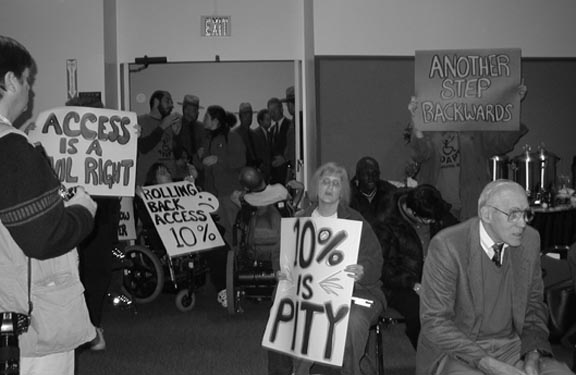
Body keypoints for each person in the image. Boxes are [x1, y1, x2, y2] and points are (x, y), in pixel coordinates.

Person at [0, 35, 97, 374]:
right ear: (11, 80)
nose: (31, 90)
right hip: (29, 321)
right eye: (28, 80)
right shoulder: (12, 148)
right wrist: (83, 208)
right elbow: (45, 237)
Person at [417, 179, 575, 375]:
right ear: (486, 214)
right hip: (458, 350)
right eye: (513, 215)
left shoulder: (530, 240)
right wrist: (487, 363)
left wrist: (532, 354)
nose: (523, 223)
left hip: (514, 346)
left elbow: (534, 306)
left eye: (526, 214)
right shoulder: (448, 246)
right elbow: (435, 320)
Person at [273, 162, 386, 375]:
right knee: (295, 311)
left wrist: (363, 270)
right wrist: (281, 270)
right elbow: (280, 254)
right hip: (309, 293)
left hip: (357, 292)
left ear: (342, 191)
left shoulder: (355, 221)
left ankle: (350, 371)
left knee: (353, 321)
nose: (330, 187)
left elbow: (375, 260)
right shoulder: (300, 220)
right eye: (325, 182)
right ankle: (300, 370)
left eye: (336, 183)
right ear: (316, 186)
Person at [408, 86, 529, 220]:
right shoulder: (430, 125)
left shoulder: (476, 126)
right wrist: (417, 123)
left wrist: (514, 105)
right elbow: (420, 154)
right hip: (437, 208)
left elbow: (501, 144)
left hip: (471, 205)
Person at [65, 94, 121, 351]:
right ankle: (82, 327)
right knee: (77, 274)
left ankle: (93, 325)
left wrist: (131, 138)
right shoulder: (66, 144)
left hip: (104, 216)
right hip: (75, 217)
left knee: (99, 271)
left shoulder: (111, 142)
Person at [373, 184, 457, 349]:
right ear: (412, 212)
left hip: (434, 275)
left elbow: (457, 230)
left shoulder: (431, 208)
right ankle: (429, 356)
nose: (432, 223)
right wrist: (414, 285)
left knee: (465, 302)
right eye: (427, 220)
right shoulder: (385, 221)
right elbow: (384, 268)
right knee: (420, 312)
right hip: (400, 283)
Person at [197, 105, 246, 306]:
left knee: (234, 237)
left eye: (207, 116)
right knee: (220, 239)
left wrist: (219, 159)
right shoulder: (207, 139)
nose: (204, 119)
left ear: (215, 120)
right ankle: (227, 281)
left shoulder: (231, 137)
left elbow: (240, 161)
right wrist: (197, 164)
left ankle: (238, 279)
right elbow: (203, 165)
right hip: (211, 198)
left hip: (229, 195)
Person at [136, 90, 181, 186]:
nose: (171, 105)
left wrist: (176, 135)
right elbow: (143, 148)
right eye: (167, 101)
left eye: (171, 102)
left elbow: (177, 154)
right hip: (147, 182)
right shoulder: (141, 121)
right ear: (156, 102)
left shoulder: (169, 123)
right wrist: (162, 127)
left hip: (169, 181)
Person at [350, 156, 398, 227]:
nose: (371, 177)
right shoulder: (348, 194)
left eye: (374, 173)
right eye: (366, 174)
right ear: (357, 175)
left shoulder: (390, 191)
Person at [173, 94, 205, 182]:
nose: (197, 112)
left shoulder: (201, 127)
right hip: (179, 170)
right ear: (185, 110)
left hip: (198, 170)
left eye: (196, 109)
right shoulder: (176, 125)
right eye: (194, 110)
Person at [268, 97, 293, 185]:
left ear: (281, 109)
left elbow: (294, 147)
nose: (272, 113)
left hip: (287, 170)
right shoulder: (272, 129)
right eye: (270, 111)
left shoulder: (290, 125)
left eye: (275, 109)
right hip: (275, 174)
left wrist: (285, 159)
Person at [251, 108, 274, 182]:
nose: (270, 122)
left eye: (270, 119)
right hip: (260, 170)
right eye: (267, 119)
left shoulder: (269, 134)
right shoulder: (255, 134)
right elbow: (255, 154)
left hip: (269, 170)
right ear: (260, 121)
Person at [234, 102, 258, 168]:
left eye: (250, 114)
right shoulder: (234, 135)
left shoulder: (254, 134)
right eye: (245, 114)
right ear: (240, 116)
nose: (248, 116)